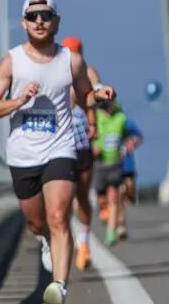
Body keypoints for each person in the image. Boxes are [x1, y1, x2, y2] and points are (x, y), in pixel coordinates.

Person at [0, 0, 113, 304]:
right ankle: (44, 241)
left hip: (60, 147)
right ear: (23, 23)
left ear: (56, 21)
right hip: (23, 154)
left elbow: (85, 95)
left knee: (58, 216)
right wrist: (17, 101)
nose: (39, 21)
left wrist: (99, 97)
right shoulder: (12, 61)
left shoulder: (71, 60)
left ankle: (59, 285)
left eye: (46, 15)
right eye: (32, 16)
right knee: (37, 221)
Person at [59, 35, 104, 271]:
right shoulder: (52, 72)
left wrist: (96, 94)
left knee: (83, 196)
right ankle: (66, 240)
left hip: (83, 142)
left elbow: (96, 93)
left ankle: (84, 243)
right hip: (60, 144)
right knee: (63, 201)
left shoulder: (88, 72)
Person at [93, 100, 129, 246]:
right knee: (101, 199)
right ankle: (105, 212)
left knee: (114, 197)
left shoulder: (121, 119)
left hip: (115, 164)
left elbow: (130, 135)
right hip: (99, 164)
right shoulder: (95, 117)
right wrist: (92, 147)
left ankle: (111, 232)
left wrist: (131, 142)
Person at [117, 118, 143, 239]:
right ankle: (120, 224)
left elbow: (139, 136)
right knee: (118, 195)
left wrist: (133, 142)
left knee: (129, 189)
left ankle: (131, 196)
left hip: (126, 165)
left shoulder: (123, 121)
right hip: (111, 165)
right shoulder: (99, 120)